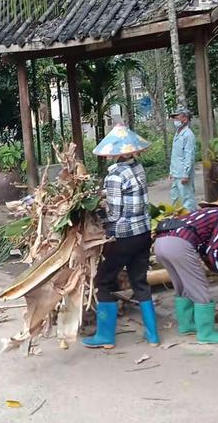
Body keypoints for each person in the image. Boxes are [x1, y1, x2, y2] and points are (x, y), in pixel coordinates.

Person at [82, 124, 159, 349]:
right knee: (140, 281)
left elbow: (114, 213)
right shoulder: (138, 167)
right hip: (144, 233)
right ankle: (152, 335)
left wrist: (100, 212)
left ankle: (105, 336)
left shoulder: (115, 174)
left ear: (114, 151)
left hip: (124, 237)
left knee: (103, 281)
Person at [154, 190, 218, 344]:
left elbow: (203, 249)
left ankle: (186, 325)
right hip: (180, 245)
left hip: (161, 244)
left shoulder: (205, 213)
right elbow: (212, 250)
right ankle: (206, 334)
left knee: (181, 286)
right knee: (199, 288)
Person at [169, 107, 197, 212]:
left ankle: (192, 221)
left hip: (183, 174)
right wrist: (171, 171)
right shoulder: (177, 133)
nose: (174, 120)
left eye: (177, 117)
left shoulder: (188, 135)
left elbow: (189, 156)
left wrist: (186, 174)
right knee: (175, 199)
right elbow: (175, 155)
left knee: (187, 200)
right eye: (174, 118)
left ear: (185, 119)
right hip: (176, 173)